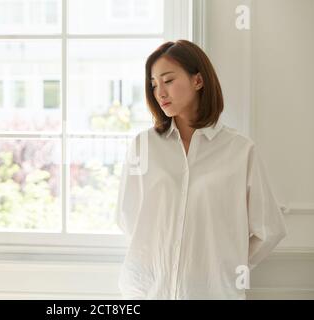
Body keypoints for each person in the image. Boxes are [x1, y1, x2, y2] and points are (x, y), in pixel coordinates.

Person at [115, 39, 287, 300]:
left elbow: (270, 229)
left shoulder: (240, 151)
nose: (159, 92)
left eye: (168, 80)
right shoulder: (144, 146)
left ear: (198, 80)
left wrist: (227, 264)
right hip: (150, 292)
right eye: (153, 84)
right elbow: (128, 218)